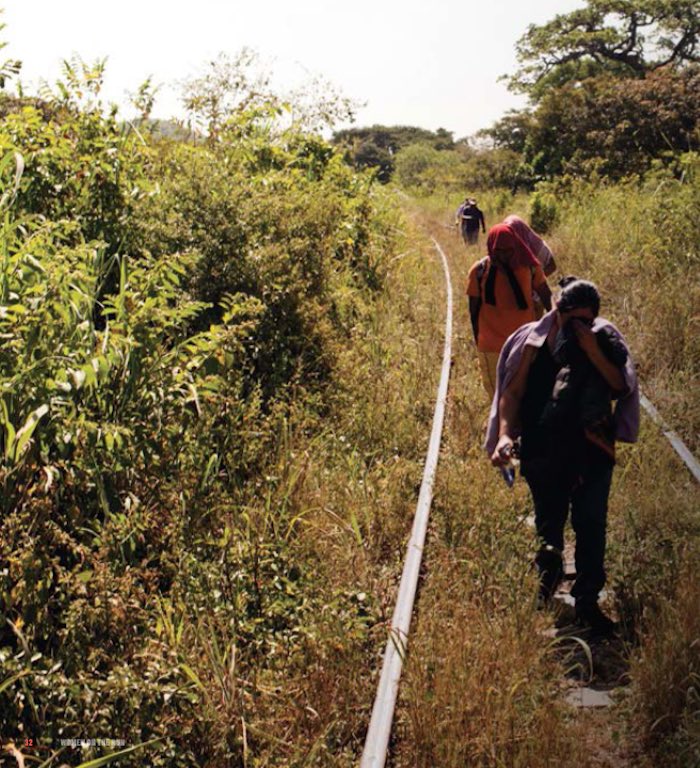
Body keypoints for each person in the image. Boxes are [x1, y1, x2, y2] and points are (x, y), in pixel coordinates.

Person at [486, 279, 640, 636]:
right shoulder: (532, 343)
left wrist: (593, 349)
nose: (578, 327)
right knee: (548, 523)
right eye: (572, 319)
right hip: (544, 448)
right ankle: (546, 585)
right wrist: (506, 435)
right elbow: (512, 393)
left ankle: (587, 601)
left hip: (592, 448)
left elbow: (621, 386)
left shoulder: (604, 339)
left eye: (586, 320)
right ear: (558, 311)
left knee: (591, 524)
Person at [467, 222, 552, 399]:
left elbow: (546, 296)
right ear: (491, 247)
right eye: (499, 251)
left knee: (522, 394)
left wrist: (552, 328)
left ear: (516, 246)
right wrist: (478, 338)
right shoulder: (479, 271)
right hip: (491, 346)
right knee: (497, 396)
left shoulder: (530, 267)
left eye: (508, 251)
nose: (504, 256)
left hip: (523, 344)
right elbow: (473, 309)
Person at [502, 215, 557, 318]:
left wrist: (533, 281)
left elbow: (552, 266)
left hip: (535, 298)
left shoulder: (538, 246)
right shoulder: (506, 248)